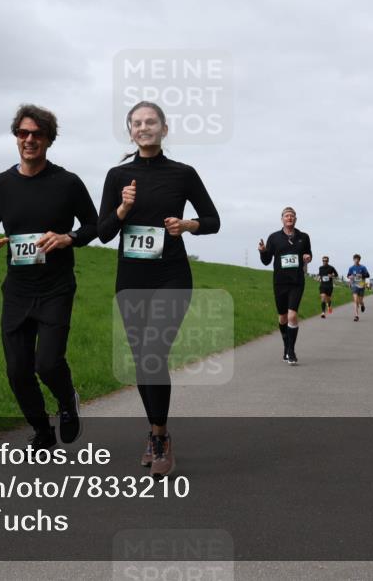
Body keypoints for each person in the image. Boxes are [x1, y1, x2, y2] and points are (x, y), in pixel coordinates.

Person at [99, 100, 220, 479]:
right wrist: (122, 209)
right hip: (131, 278)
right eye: (137, 123)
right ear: (130, 130)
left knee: (154, 351)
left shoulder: (183, 174)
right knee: (142, 360)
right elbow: (103, 232)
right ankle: (158, 431)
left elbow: (213, 220)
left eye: (151, 122)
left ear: (164, 130)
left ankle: (159, 439)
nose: (144, 127)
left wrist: (188, 226)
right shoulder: (117, 176)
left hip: (172, 275)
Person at [0, 104, 98, 452]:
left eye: (37, 134)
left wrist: (67, 238)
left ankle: (66, 400)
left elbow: (93, 226)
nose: (29, 140)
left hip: (55, 287)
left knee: (47, 363)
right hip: (17, 289)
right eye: (23, 133)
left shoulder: (68, 183)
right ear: (16, 137)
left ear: (49, 139)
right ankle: (41, 431)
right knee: (17, 370)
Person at [258, 208, 312, 363]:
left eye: (292, 216)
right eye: (287, 216)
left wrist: (308, 257)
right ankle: (286, 346)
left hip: (297, 282)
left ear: (296, 219)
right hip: (280, 282)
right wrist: (262, 251)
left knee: (292, 315)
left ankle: (291, 351)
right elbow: (267, 261)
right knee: (282, 318)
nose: (289, 218)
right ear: (282, 219)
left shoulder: (304, 237)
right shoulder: (274, 238)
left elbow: (308, 254)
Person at [346, 254, 370, 322]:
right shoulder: (351, 268)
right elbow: (348, 275)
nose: (356, 260)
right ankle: (356, 315)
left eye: (358, 259)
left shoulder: (363, 267)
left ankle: (362, 305)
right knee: (355, 300)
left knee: (360, 301)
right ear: (353, 259)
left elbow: (368, 275)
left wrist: (362, 275)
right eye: (355, 259)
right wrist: (350, 277)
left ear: (359, 260)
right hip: (354, 285)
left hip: (361, 285)